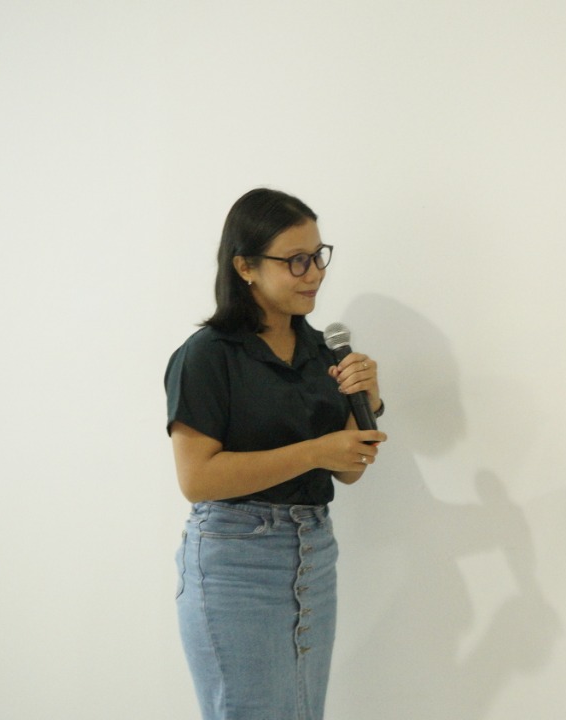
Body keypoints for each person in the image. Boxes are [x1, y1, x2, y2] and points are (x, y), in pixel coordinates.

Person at [164, 188, 387, 720]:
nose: (314, 273)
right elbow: (197, 480)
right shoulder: (206, 356)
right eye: (295, 261)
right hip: (236, 560)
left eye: (318, 255)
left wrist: (369, 402)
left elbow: (349, 471)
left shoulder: (322, 351)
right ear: (245, 267)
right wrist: (315, 451)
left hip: (314, 552)